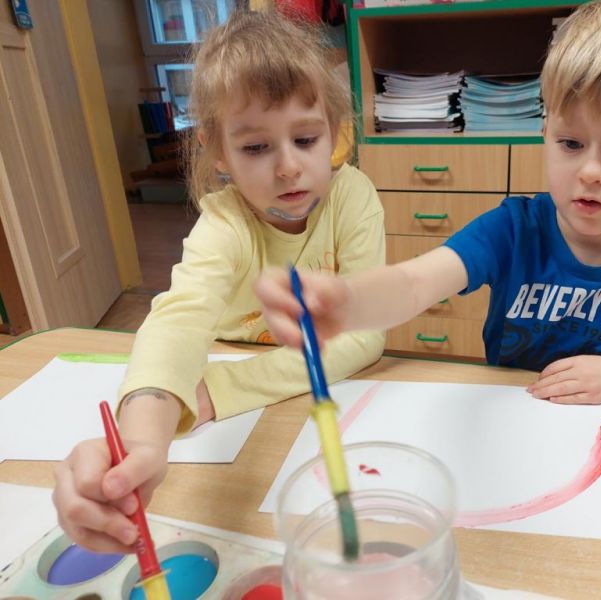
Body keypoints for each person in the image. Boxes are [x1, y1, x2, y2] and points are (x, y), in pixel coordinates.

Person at [256, 0, 601, 409]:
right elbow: (415, 283)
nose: (591, 171)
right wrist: (346, 303)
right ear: (545, 133)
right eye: (571, 143)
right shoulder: (513, 228)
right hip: (509, 419)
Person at [52, 10, 385, 553]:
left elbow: (365, 335)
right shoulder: (225, 222)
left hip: (290, 396)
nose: (288, 167)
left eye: (306, 138)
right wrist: (142, 438)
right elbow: (178, 321)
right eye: (256, 147)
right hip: (241, 390)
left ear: (334, 132)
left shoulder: (354, 197)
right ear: (218, 152)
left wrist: (218, 392)